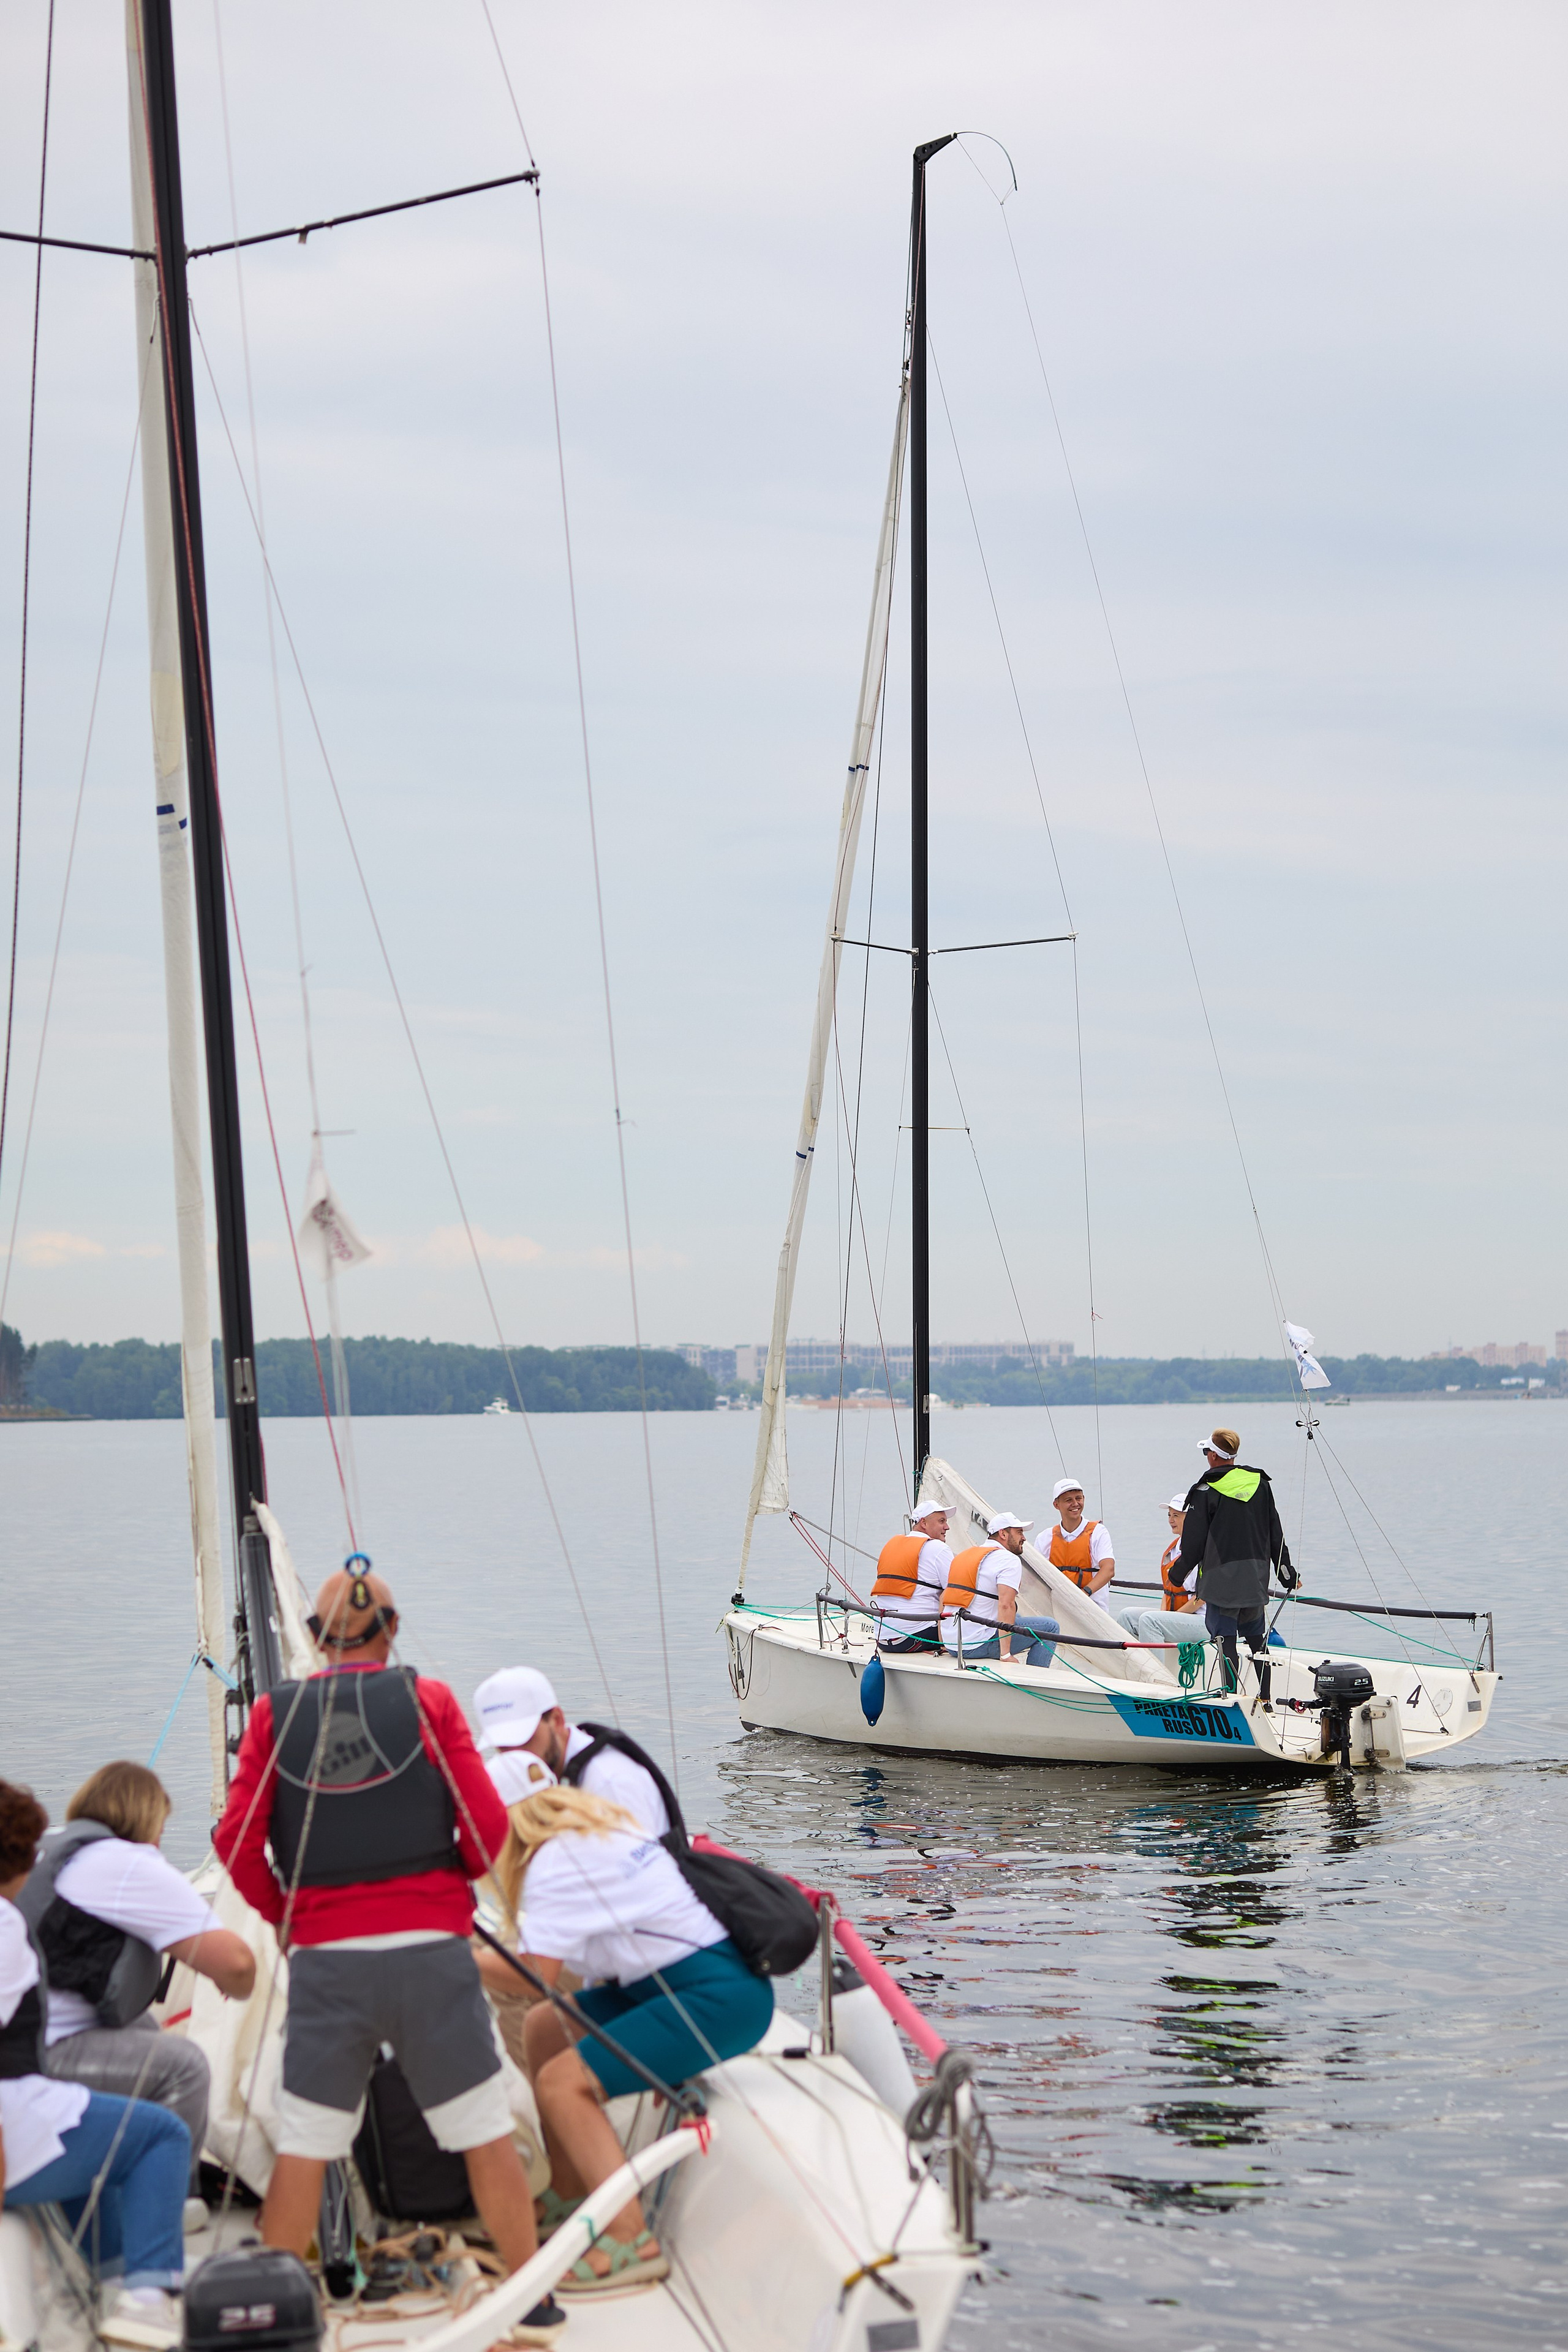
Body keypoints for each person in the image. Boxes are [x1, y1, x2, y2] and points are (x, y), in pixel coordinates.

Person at [213, 1564, 562, 2346]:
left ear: (313, 1640)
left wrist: (288, 1916)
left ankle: (275, 2315)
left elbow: (235, 1841)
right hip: (433, 1956)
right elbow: (484, 1832)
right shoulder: (431, 1702)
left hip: (329, 1960)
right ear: (392, 1631)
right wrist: (448, 1889)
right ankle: (533, 2302)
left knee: (305, 2143)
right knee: (483, 2132)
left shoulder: (273, 1715)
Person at [501, 1776, 773, 2297]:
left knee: (562, 2083)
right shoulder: (594, 1835)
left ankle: (631, 2240)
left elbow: (536, 1971)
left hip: (717, 1997)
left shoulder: (553, 1861)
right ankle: (570, 2190)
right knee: (545, 2026)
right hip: (670, 1986)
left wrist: (456, 1961)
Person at [1, 1779, 190, 2349]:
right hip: (11, 2118)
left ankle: (115, 2286)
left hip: (28, 2105)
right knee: (160, 2134)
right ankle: (148, 2300)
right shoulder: (4, 1925)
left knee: (95, 2130)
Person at [20, 1760, 254, 2219]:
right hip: (35, 2055)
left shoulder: (53, 1850)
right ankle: (175, 2206)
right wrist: (244, 1986)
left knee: (144, 2028)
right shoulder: (124, 1862)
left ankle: (125, 2170)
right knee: (184, 2066)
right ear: (148, 1820)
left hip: (22, 2040)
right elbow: (237, 1964)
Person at [1169, 1428, 1298, 1698]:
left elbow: (1193, 1543)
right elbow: (1276, 1532)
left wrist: (1177, 1575)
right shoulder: (1261, 1484)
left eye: (1207, 1452)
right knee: (1257, 1641)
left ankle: (1229, 1697)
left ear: (1215, 1456)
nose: (1206, 1456)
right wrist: (1286, 1572)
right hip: (1255, 1578)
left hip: (1221, 1582)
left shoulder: (1205, 1490)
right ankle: (1265, 1699)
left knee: (1225, 1641)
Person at [475, 1668, 669, 1836]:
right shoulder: (536, 1781)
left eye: (524, 1739)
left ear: (557, 1720)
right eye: (503, 1746)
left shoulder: (609, 1784)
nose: (517, 1755)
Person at [939, 1515, 1060, 1667]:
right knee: (1050, 1627)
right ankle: (1034, 1680)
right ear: (1003, 1534)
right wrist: (1006, 1655)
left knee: (1017, 1617)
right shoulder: (1008, 1559)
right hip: (976, 1646)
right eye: (1019, 1532)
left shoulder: (964, 1555)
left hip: (953, 1645)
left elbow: (943, 1599)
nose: (1024, 1538)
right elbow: (1006, 1605)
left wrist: (943, 1643)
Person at [1113, 1495, 1210, 1656]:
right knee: (1127, 1616)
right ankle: (1127, 1670)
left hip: (1203, 1620)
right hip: (1177, 1617)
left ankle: (1156, 1677)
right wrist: (1166, 1615)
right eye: (1169, 1515)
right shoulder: (1173, 1549)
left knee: (1150, 1621)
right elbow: (1168, 1591)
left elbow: (1203, 1597)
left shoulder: (1206, 1550)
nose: (1171, 1520)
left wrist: (1170, 1618)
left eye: (1177, 1516)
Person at [870, 1500, 953, 1650]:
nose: (947, 1527)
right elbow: (956, 1592)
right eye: (942, 1521)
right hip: (912, 1638)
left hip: (882, 1639)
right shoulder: (939, 1548)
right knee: (984, 1630)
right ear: (924, 1523)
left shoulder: (891, 1545)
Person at [1044, 1479, 1116, 1610]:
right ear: (1056, 1505)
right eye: (1068, 1500)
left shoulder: (1098, 1532)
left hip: (1092, 1606)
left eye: (1079, 1498)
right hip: (1058, 1607)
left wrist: (1084, 1594)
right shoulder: (1045, 1537)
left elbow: (1109, 1570)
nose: (1075, 1504)